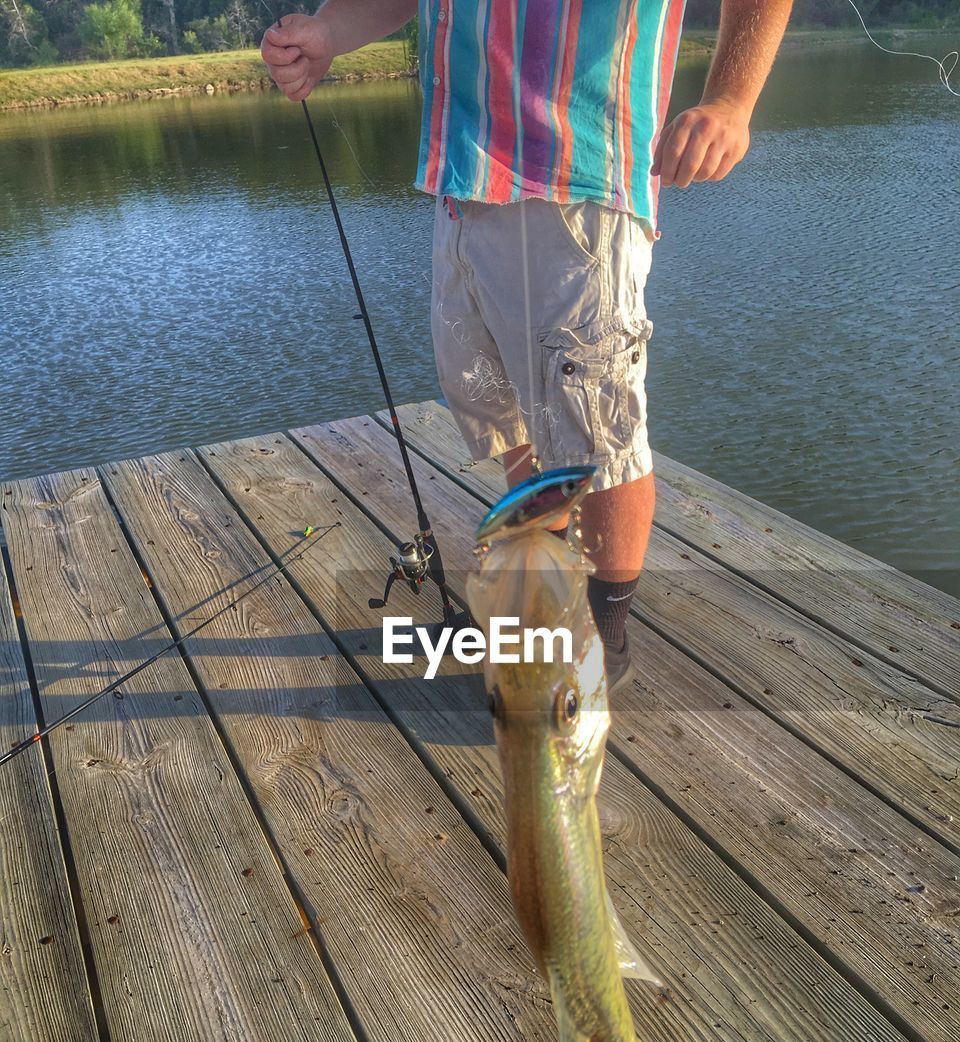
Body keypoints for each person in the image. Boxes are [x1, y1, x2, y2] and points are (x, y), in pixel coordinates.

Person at [262, 0, 793, 695]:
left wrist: (730, 100)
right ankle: (545, 618)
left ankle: (602, 648)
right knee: (509, 416)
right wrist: (330, 31)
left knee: (596, 436)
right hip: (464, 173)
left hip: (583, 177)